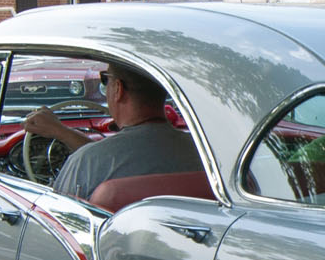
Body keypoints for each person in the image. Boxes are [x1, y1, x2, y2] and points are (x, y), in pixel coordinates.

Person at [23, 64, 201, 202]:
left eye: (105, 79)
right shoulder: (202, 153)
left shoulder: (87, 162)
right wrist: (62, 132)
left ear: (118, 89)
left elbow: (57, 220)